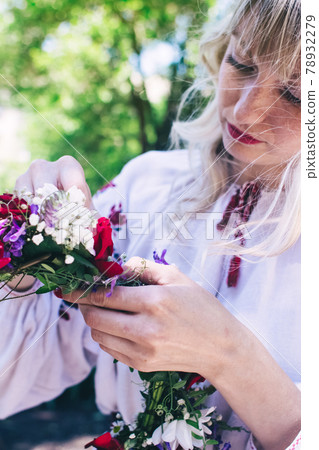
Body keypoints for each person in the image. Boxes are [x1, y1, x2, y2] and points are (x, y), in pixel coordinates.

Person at [0, 0, 301, 449]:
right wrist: (29, 257)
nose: (245, 109)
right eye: (241, 63)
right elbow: (14, 373)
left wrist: (228, 354)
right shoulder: (148, 183)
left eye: (295, 93)